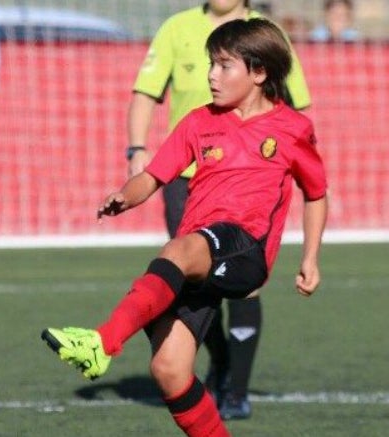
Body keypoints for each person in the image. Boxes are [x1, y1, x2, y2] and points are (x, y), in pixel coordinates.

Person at [42, 18, 328, 436]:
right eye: (211, 64)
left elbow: (316, 193)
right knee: (170, 369)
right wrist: (125, 194)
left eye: (224, 66)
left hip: (244, 247)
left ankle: (102, 342)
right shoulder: (198, 121)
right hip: (202, 251)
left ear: (259, 72)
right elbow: (154, 176)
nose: (211, 75)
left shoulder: (292, 129)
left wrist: (310, 258)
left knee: (177, 250)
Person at [125, 0, 311, 420]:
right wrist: (137, 148)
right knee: (191, 280)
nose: (214, 74)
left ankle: (236, 390)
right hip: (188, 178)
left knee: (245, 284)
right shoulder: (177, 28)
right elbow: (145, 92)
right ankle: (219, 360)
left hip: (249, 180)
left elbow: (297, 109)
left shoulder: (265, 34)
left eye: (223, 66)